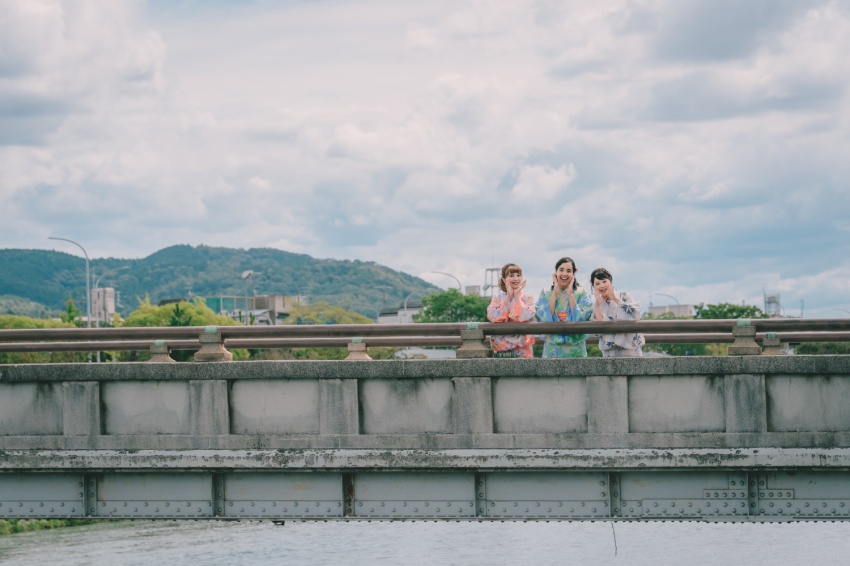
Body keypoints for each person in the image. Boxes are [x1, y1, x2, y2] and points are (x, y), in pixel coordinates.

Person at [535, 256, 594, 358]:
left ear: (573, 274)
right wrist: (555, 293)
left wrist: (570, 294)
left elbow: (582, 318)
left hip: (576, 348)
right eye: (561, 270)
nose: (564, 274)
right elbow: (543, 318)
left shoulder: (581, 292)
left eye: (568, 271)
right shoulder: (546, 292)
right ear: (556, 272)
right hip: (552, 349)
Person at [590, 267, 645, 357]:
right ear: (594, 287)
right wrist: (597, 305)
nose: (602, 286)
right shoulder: (597, 304)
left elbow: (635, 315)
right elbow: (598, 330)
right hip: (609, 352)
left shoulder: (624, 296)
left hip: (630, 350)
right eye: (597, 283)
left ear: (610, 282)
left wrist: (616, 300)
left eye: (604, 281)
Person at [486, 263, 535, 358]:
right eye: (511, 276)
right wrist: (508, 297)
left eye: (518, 275)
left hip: (523, 349)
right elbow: (493, 317)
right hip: (502, 349)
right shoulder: (497, 298)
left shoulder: (528, 298)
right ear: (504, 279)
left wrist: (517, 296)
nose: (516, 278)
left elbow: (527, 316)